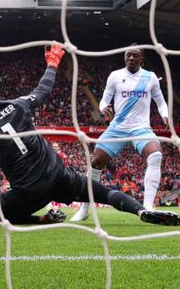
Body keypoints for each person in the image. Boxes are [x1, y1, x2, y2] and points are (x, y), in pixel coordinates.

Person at [0, 44, 180, 227]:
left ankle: (43, 219)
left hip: (29, 192)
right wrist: (52, 62)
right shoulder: (18, 104)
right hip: (59, 176)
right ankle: (141, 210)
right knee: (104, 192)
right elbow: (44, 88)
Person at [72, 45, 169, 222]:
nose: (131, 58)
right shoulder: (115, 76)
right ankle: (84, 208)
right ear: (125, 58)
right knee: (95, 162)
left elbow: (160, 101)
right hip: (118, 127)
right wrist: (104, 108)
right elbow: (104, 100)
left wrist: (165, 115)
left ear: (142, 59)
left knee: (155, 154)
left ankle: (148, 207)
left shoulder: (150, 77)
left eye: (135, 56)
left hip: (141, 127)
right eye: (128, 55)